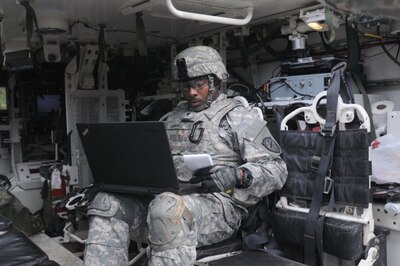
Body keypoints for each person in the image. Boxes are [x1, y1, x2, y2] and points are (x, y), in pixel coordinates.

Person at [83, 46, 288, 266]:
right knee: (106, 203)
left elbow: (277, 169)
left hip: (219, 209)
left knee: (168, 209)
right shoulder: (171, 118)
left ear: (216, 82)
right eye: (186, 86)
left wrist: (237, 175)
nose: (191, 92)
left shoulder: (238, 117)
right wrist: (117, 183)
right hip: (163, 203)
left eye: (199, 84)